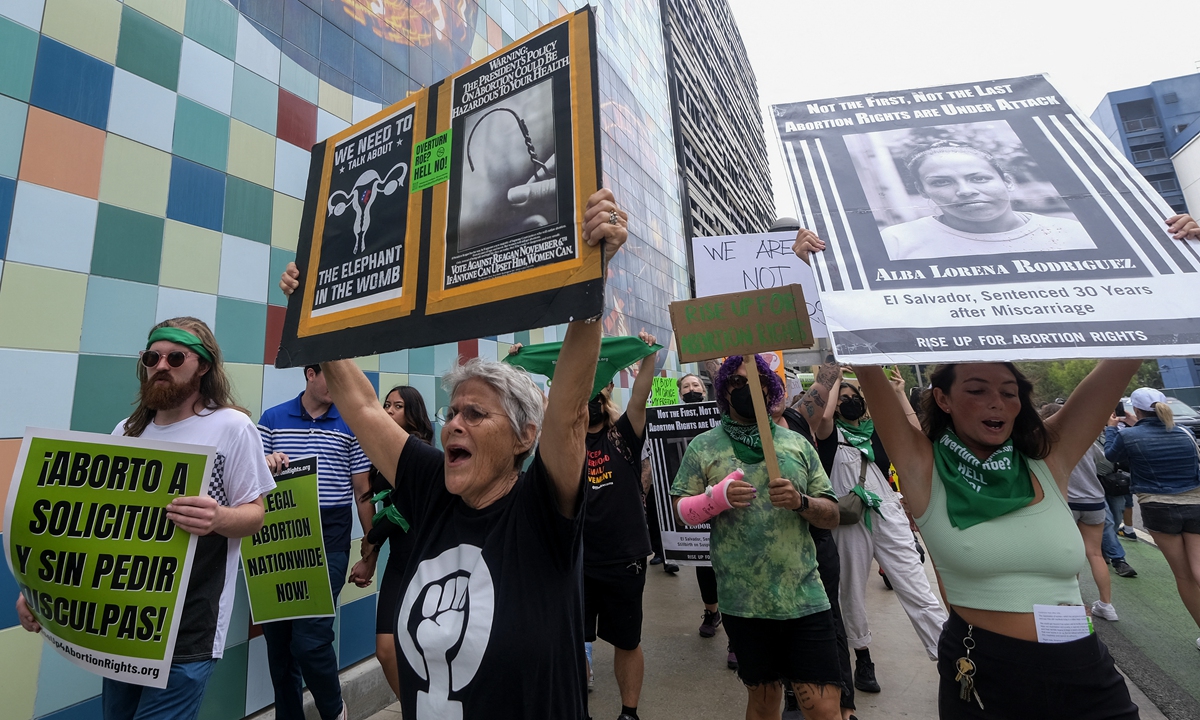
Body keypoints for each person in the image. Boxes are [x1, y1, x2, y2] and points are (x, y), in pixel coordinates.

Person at [279, 188, 627, 719]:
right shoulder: (430, 485)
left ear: (522, 437)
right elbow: (365, 408)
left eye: (475, 415)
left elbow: (570, 410)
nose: (453, 426)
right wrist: (311, 318)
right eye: (453, 413)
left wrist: (592, 282)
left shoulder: (543, 507)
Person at [17, 317, 276, 720]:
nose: (161, 366)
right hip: (121, 625)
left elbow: (255, 514)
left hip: (189, 627)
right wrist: (44, 590)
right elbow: (95, 524)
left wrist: (218, 517)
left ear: (203, 366)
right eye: (152, 357)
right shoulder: (126, 432)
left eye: (175, 357)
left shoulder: (232, 427)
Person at [671, 354, 843, 720]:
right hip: (744, 603)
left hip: (805, 599)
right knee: (764, 704)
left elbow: (831, 515)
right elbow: (682, 511)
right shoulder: (703, 447)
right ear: (723, 391)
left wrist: (801, 502)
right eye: (736, 382)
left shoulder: (796, 444)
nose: (746, 388)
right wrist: (716, 499)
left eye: (755, 381)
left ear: (769, 387)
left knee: (825, 710)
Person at [797, 365, 946, 694]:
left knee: (916, 585)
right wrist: (834, 378)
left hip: (887, 511)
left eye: (856, 397)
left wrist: (895, 392)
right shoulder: (829, 435)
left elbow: (912, 431)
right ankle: (862, 656)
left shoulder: (876, 429)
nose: (850, 401)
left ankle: (949, 658)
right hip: (849, 518)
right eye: (844, 398)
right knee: (850, 591)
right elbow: (821, 418)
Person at [257, 365, 375, 720]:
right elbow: (248, 478)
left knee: (309, 640)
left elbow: (363, 490)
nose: (339, 385)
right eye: (331, 376)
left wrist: (370, 550)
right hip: (277, 542)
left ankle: (333, 711)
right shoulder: (273, 419)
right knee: (279, 648)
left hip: (329, 542)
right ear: (310, 374)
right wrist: (264, 463)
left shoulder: (351, 423)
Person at [583, 332, 659, 720]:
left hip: (623, 558)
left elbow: (641, 397)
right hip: (576, 560)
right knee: (574, 639)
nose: (591, 404)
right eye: (585, 397)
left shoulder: (623, 437)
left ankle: (629, 712)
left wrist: (647, 356)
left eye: (598, 396)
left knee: (627, 641)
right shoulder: (564, 443)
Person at [774, 367, 856, 720]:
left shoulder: (799, 418)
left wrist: (834, 358)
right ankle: (794, 695)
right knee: (779, 624)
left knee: (827, 621)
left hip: (814, 541)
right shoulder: (735, 431)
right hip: (769, 550)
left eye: (768, 383)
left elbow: (824, 382)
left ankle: (844, 703)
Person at [348, 386, 435, 699]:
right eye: (386, 405)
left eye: (397, 406)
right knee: (385, 649)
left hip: (423, 561)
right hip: (398, 560)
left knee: (425, 645)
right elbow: (380, 504)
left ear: (412, 415)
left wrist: (370, 540)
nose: (388, 411)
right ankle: (415, 709)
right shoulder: (381, 453)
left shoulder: (420, 454)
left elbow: (402, 512)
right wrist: (371, 556)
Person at [878, 140, 1095, 261]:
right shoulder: (896, 242)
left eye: (979, 178)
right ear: (923, 191)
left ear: (1007, 181)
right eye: (942, 182)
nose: (965, 191)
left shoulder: (1073, 234)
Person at [1104, 387, 1200, 651]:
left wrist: (1113, 428)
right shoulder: (1185, 432)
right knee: (1198, 569)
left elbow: (1109, 459)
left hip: (1158, 507)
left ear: (1135, 410)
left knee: (1183, 576)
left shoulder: (1129, 436)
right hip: (1195, 504)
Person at [1039, 403, 1120, 622]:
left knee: (1068, 553)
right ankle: (1106, 604)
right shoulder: (1086, 441)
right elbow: (1104, 464)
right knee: (1095, 553)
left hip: (1067, 502)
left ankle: (1070, 600)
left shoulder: (1044, 443)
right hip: (1094, 500)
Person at [1094, 437, 1138, 578]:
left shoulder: (1112, 434)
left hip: (1114, 482)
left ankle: (1105, 548)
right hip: (1093, 481)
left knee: (1117, 515)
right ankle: (1119, 560)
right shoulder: (1084, 432)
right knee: (1107, 521)